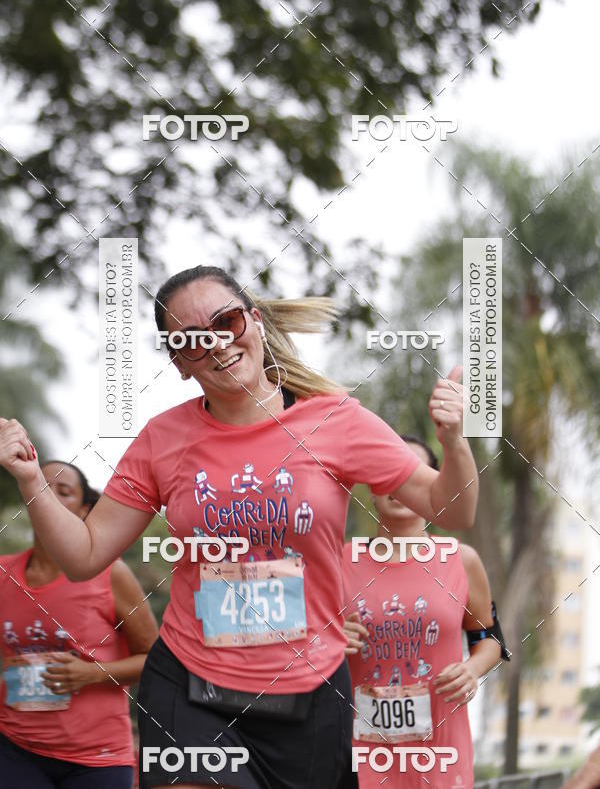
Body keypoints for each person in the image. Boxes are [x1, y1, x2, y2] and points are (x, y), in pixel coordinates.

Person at [0, 264, 480, 789]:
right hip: (189, 686)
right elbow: (85, 554)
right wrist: (31, 481)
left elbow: (452, 510)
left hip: (313, 692)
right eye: (190, 342)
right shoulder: (164, 439)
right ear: (180, 364)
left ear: (252, 321)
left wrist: (455, 443)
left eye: (225, 322)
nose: (216, 347)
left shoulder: (334, 420)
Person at [343, 436, 507, 788]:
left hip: (441, 755)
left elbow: (490, 639)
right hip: (356, 757)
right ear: (372, 488)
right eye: (389, 474)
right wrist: (329, 638)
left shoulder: (461, 560)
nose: (400, 486)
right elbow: (302, 642)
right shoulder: (339, 561)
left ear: (433, 487)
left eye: (414, 475)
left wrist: (471, 669)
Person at [0, 460, 158, 788]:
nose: (47, 493)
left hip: (95, 759)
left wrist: (89, 673)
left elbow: (155, 660)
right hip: (14, 747)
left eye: (63, 491)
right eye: (41, 484)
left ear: (85, 510)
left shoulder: (111, 575)